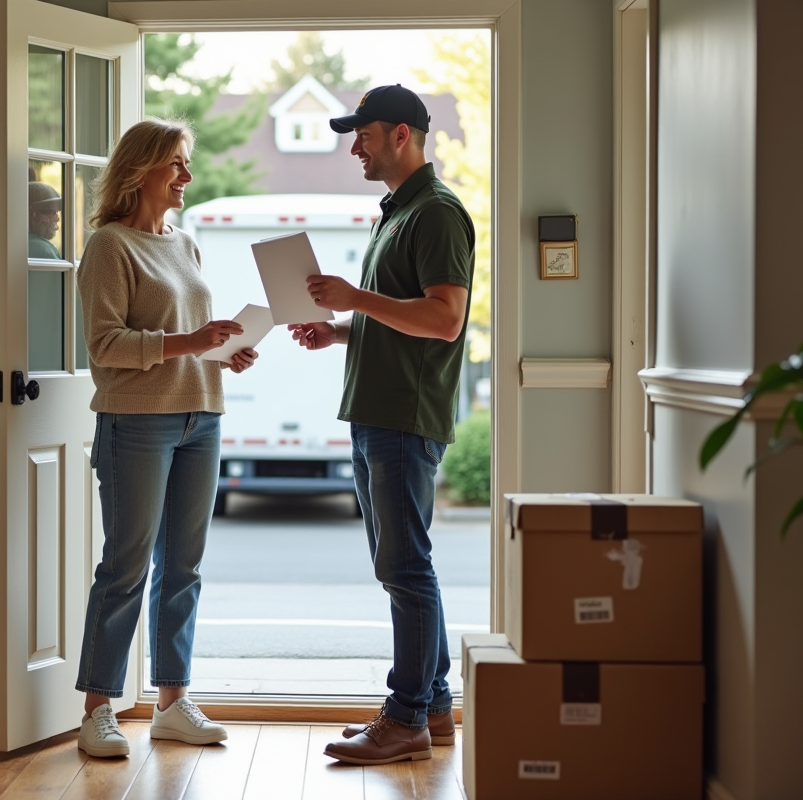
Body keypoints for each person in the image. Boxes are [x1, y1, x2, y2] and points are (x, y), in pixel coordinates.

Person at [289, 85, 474, 766]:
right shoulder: (397, 215)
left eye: (361, 134)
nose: (352, 146)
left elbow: (444, 319)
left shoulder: (437, 214)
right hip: (377, 413)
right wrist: (339, 330)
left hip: (402, 418)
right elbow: (400, 319)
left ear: (401, 135)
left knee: (405, 569)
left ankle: (404, 720)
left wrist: (353, 297)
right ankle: (433, 708)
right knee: (407, 568)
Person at [74, 118, 258, 759]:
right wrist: (191, 342)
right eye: (176, 164)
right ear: (140, 170)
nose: (186, 176)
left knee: (183, 567)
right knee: (126, 565)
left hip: (200, 415)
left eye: (186, 163)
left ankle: (172, 704)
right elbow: (105, 347)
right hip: (137, 423)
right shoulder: (108, 247)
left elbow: (188, 339)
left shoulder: (185, 244)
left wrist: (222, 352)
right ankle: (98, 707)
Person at [28, 180, 63, 259]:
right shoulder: (43, 249)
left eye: (56, 212)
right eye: (50, 211)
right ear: (34, 214)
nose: (57, 218)